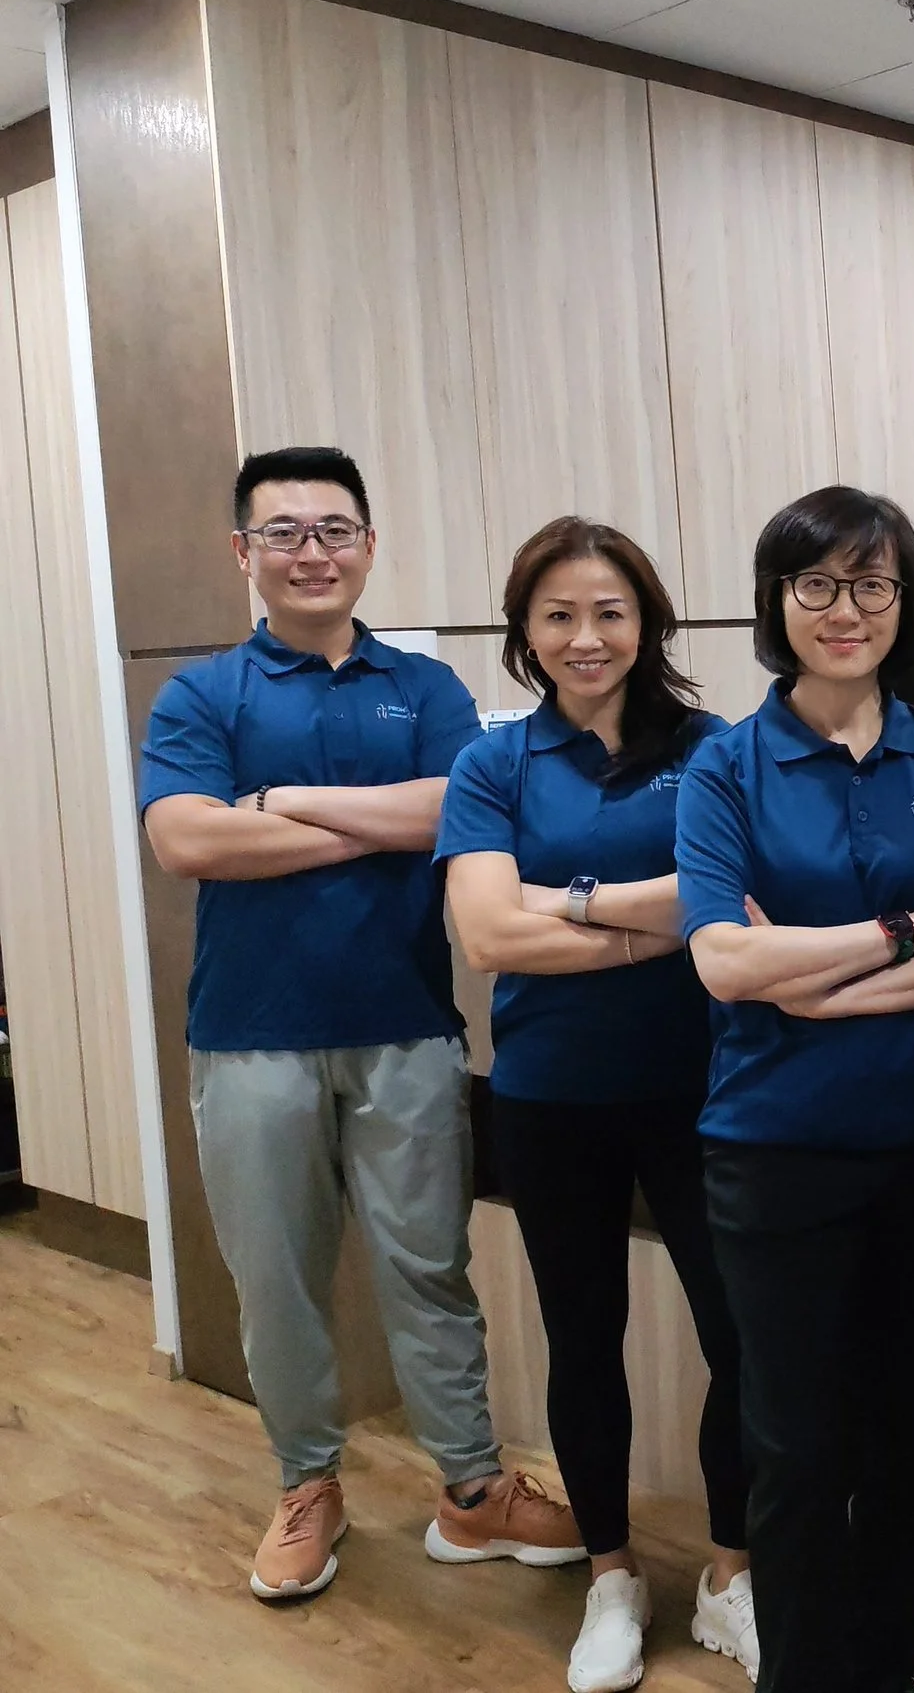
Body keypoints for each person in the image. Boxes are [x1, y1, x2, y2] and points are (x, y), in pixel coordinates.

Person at [139, 446, 584, 1604]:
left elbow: (456, 809)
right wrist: (375, 825)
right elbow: (186, 839)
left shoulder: (425, 689)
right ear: (246, 555)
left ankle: (474, 1492)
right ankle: (306, 1487)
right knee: (275, 1277)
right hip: (248, 1036)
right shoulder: (203, 694)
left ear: (369, 547)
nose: (311, 552)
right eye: (283, 533)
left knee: (427, 1269)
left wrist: (279, 805)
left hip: (406, 1028)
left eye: (334, 530)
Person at [676, 486, 914, 1693]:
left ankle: (888, 1666)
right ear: (777, 603)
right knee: (800, 1449)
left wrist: (820, 979)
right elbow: (723, 957)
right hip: (779, 1152)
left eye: (872, 585)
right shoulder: (725, 770)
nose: (845, 610)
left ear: (902, 603)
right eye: (816, 585)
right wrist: (908, 928)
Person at [437, 518, 754, 1689]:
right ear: (525, 631)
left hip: (706, 1089)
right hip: (550, 1095)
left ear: (647, 621)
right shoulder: (493, 764)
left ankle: (732, 1570)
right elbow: (481, 931)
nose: (587, 637)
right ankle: (612, 1573)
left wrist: (561, 905)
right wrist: (649, 922)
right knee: (584, 1342)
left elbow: (732, 902)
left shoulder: (714, 751)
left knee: (740, 1334)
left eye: (610, 612)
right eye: (559, 615)